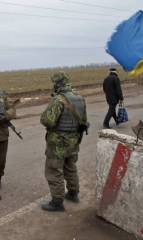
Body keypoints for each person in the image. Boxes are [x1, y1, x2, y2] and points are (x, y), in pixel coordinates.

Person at [40, 72, 88, 212]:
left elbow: (47, 120)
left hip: (58, 142)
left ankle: (57, 202)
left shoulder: (58, 100)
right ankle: (73, 194)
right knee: (70, 167)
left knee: (54, 170)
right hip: (74, 140)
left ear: (57, 84)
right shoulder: (79, 97)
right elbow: (84, 120)